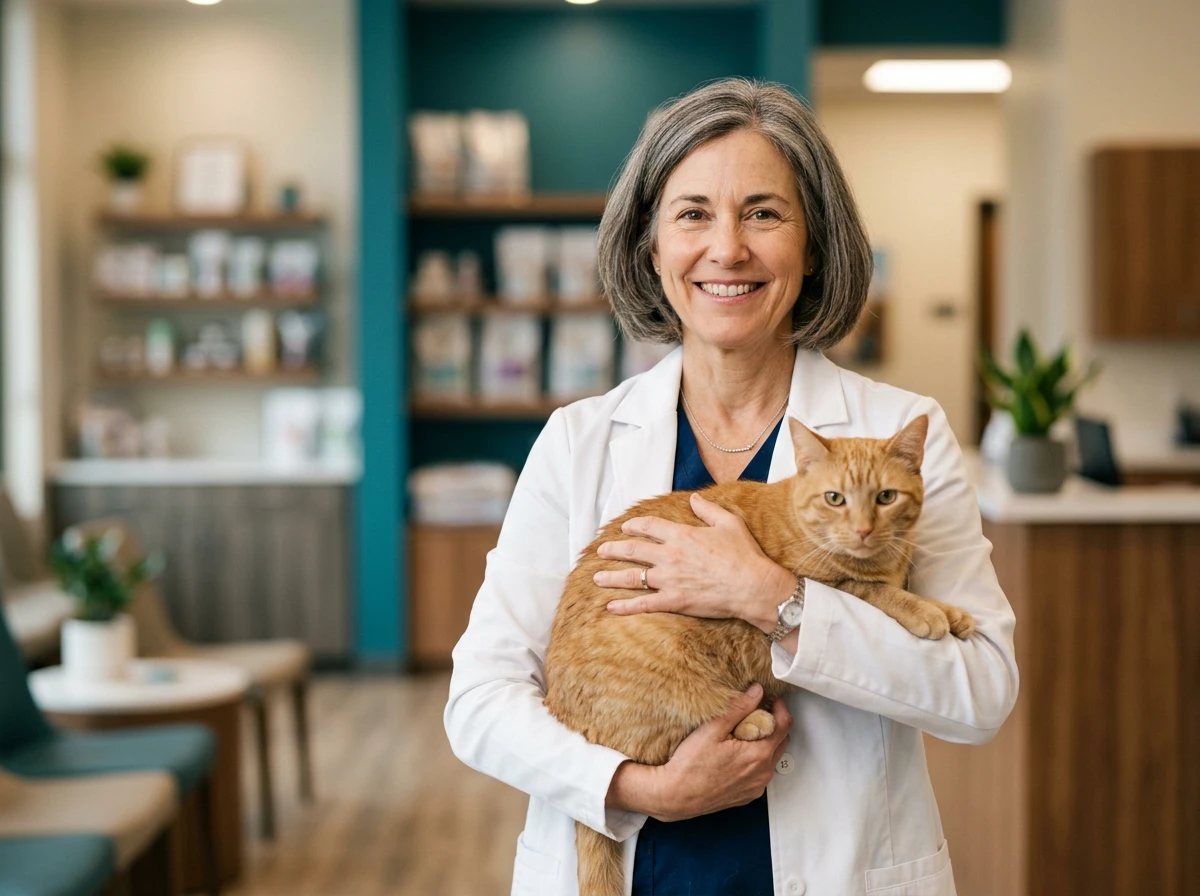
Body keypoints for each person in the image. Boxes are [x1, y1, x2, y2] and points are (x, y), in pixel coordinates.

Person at [444, 78, 1018, 896]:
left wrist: (781, 601)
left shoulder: (900, 429)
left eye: (764, 213)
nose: (728, 249)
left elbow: (982, 692)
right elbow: (479, 701)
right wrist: (639, 790)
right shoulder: (580, 440)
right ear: (650, 245)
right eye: (692, 214)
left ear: (814, 244)